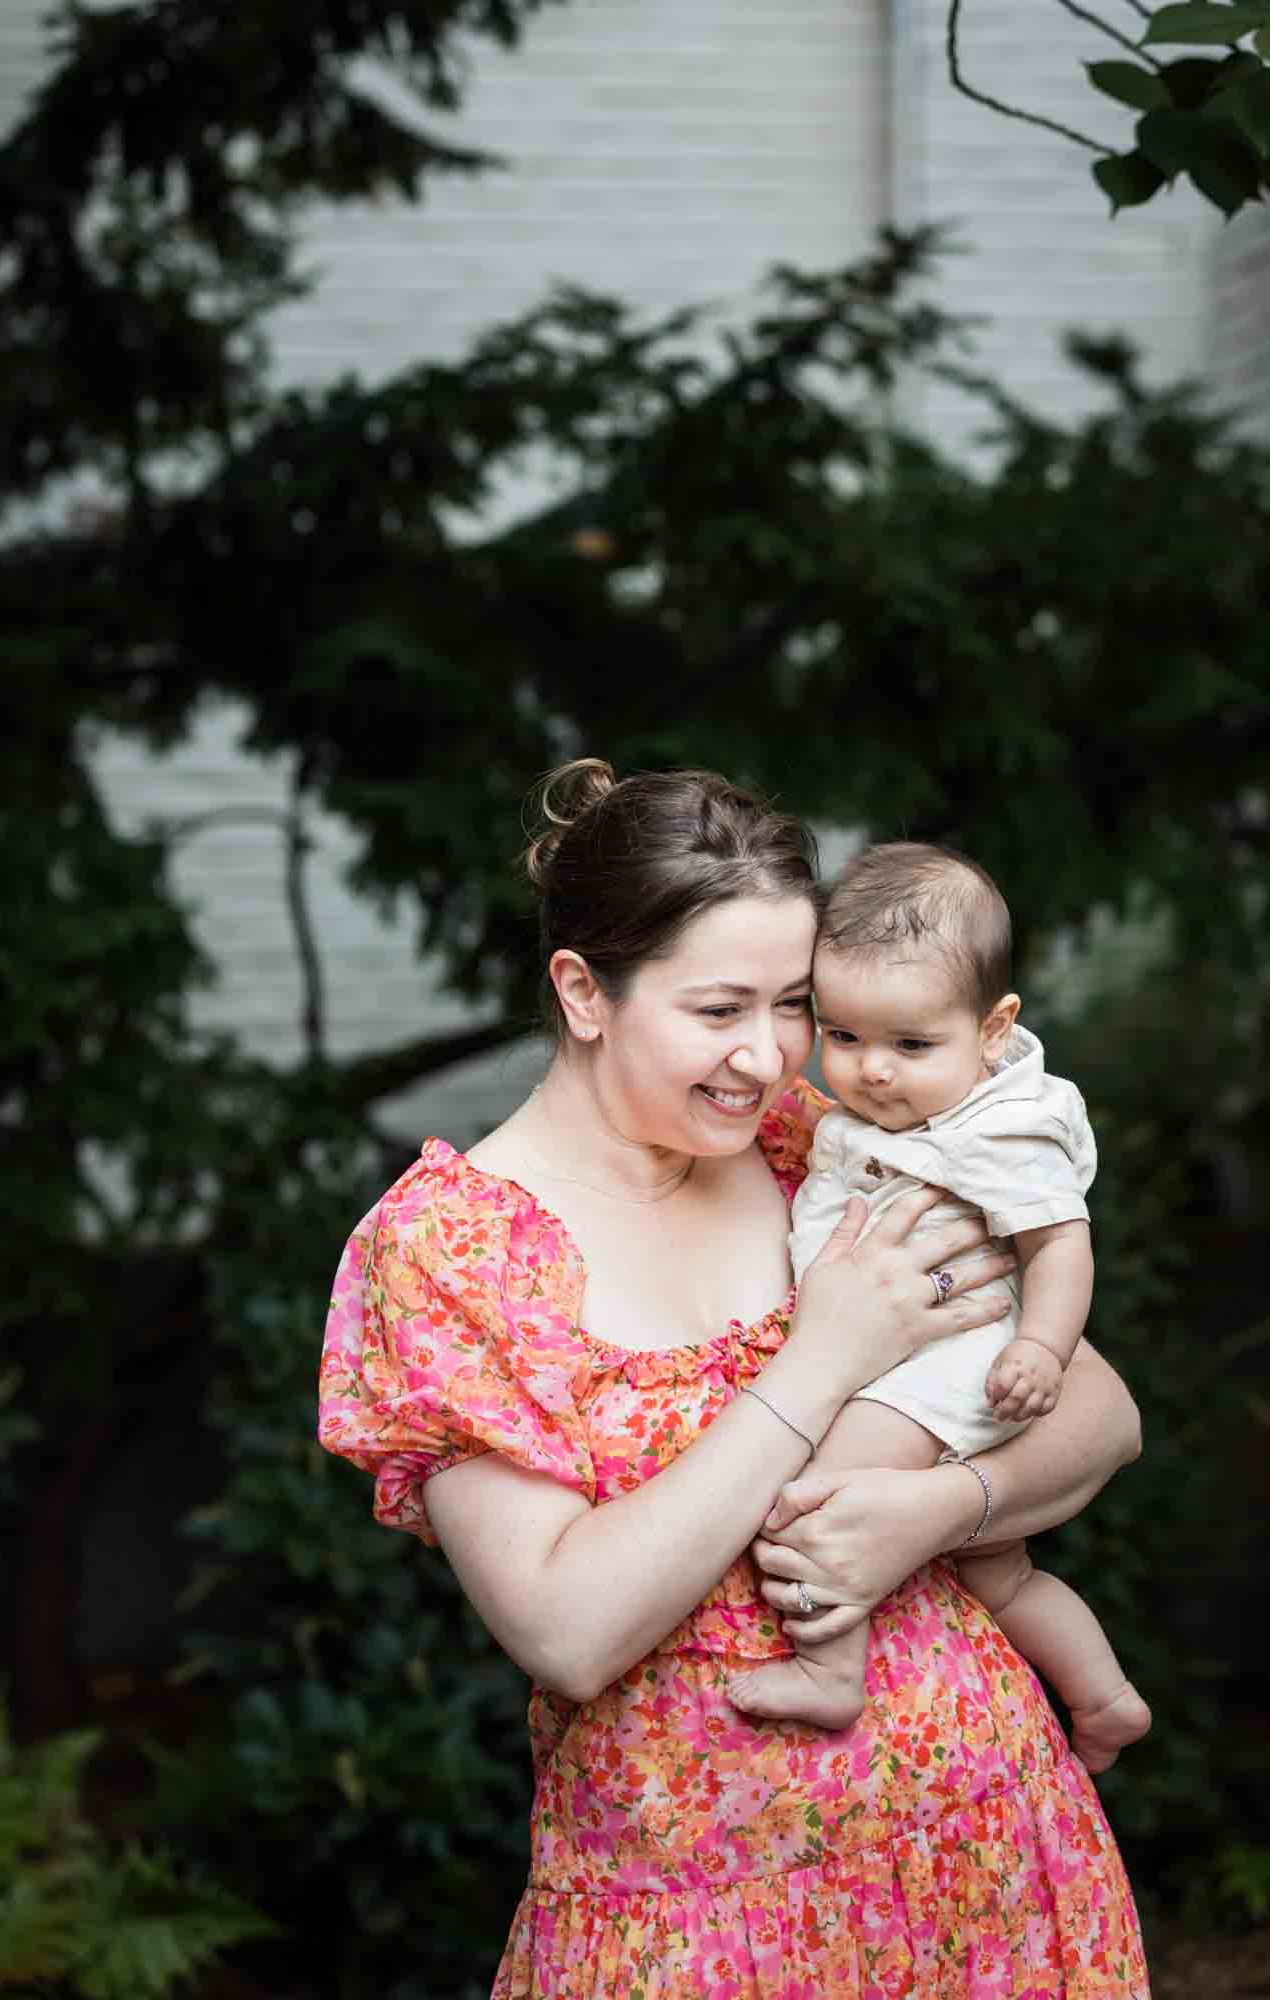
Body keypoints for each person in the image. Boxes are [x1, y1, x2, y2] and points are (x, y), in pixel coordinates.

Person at [318, 759, 1150, 1999]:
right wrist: (822, 1358)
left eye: (793, 1004)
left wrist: (933, 1511)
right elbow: (570, 1628)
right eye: (718, 1011)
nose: (766, 1058)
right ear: (583, 991)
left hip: (985, 1849)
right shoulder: (449, 1251)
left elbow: (1102, 1412)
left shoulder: (811, 1148)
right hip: (700, 1923)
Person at [728, 842, 1152, 1776]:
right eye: (842, 1038)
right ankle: (1102, 1694)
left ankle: (830, 1670)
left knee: (817, 1500)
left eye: (910, 1045)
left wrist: (1042, 1347)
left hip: (944, 1365)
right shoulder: (889, 1115)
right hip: (913, 1362)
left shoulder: (998, 1130)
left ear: (993, 1028)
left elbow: (1059, 1241)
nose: (872, 1071)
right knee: (999, 1574)